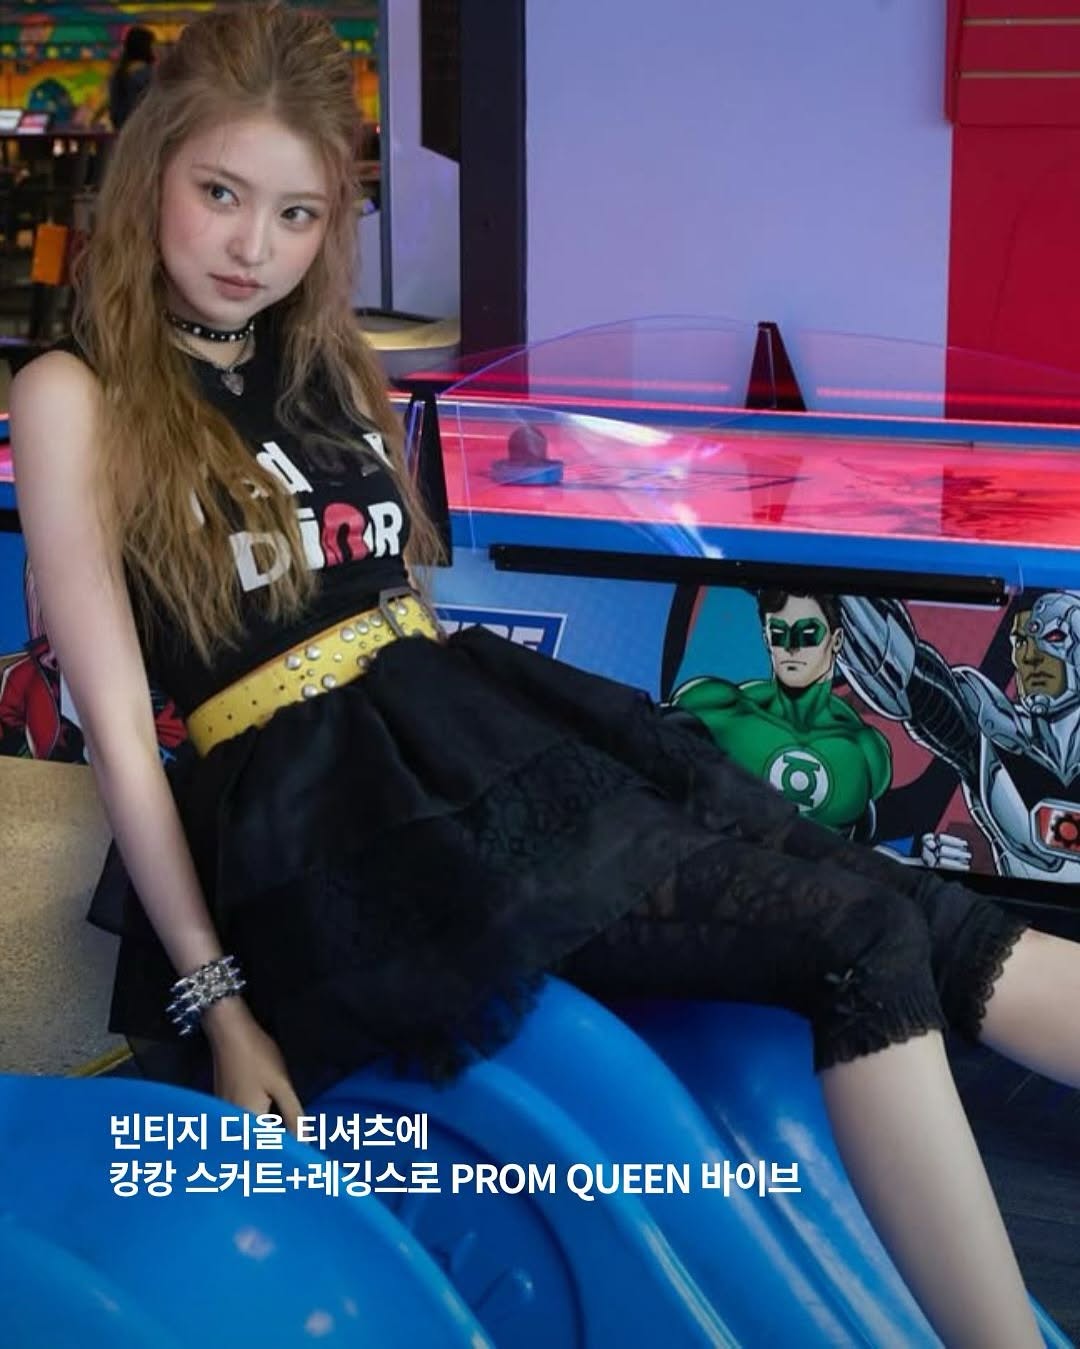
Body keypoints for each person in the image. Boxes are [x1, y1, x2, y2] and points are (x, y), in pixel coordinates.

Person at [8, 7, 1079, 1346]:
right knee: (858, 943)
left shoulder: (329, 362)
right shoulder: (77, 393)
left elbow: (397, 606)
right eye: (221, 193)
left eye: (295, 215)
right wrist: (220, 1003)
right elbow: (120, 722)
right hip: (333, 831)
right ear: (152, 168)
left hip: (465, 742)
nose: (252, 247)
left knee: (920, 911)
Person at [670, 590, 891, 837]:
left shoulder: (867, 750)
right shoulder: (717, 708)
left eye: (808, 634)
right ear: (767, 639)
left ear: (836, 640)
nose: (791, 647)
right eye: (779, 634)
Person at [107, 26, 156, 131]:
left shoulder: (119, 73)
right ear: (146, 47)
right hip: (144, 131)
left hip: (124, 130)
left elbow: (114, 111)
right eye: (153, 45)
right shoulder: (147, 74)